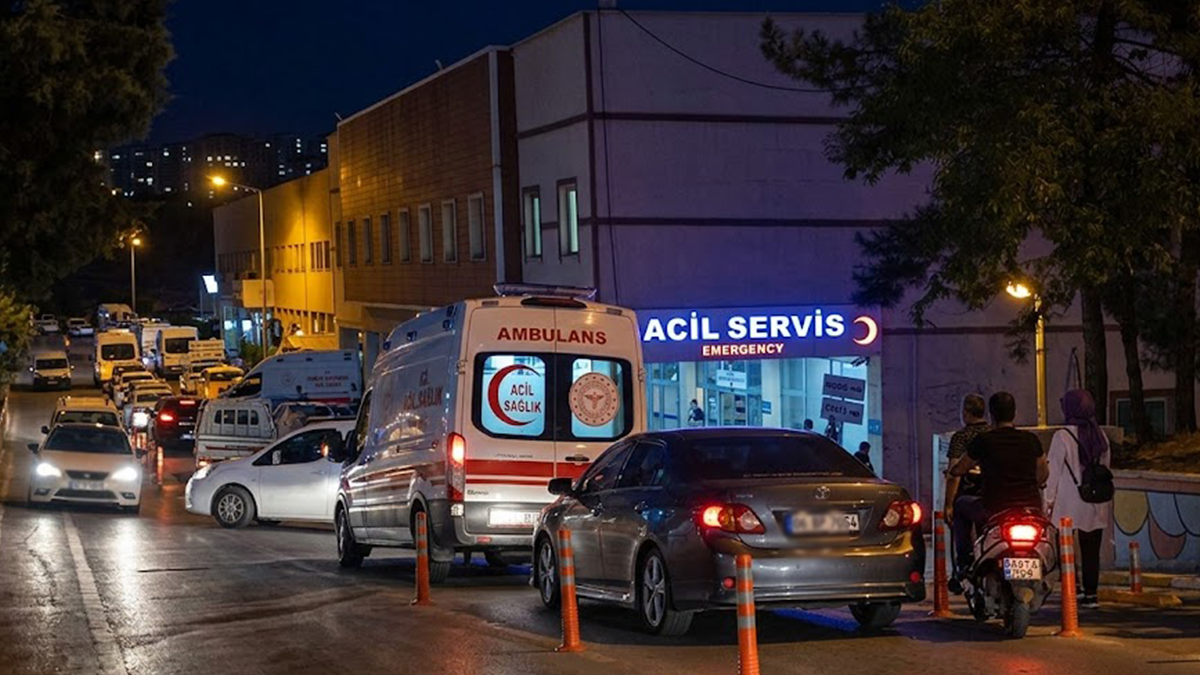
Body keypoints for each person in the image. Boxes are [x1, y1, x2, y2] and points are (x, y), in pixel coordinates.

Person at [948, 391, 1049, 575]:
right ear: (1014, 413)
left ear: (991, 415)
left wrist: (954, 472)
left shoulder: (984, 441)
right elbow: (1043, 473)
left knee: (961, 505)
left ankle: (965, 560)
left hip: (994, 507)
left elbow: (959, 469)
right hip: (1031, 507)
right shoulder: (1031, 440)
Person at [1044, 389, 1111, 609]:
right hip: (1095, 501)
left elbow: (1051, 473)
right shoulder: (1100, 435)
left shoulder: (1062, 436)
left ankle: (1073, 589)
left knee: (1066, 549)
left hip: (1068, 502)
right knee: (1092, 550)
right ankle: (1091, 594)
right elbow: (1105, 469)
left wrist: (1048, 502)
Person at [943, 394, 990, 572]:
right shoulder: (992, 433)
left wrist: (949, 504)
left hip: (970, 495)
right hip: (993, 494)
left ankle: (965, 564)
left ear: (965, 413)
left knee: (960, 520)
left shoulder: (961, 437)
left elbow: (954, 473)